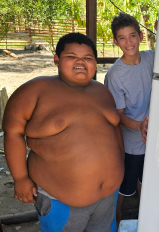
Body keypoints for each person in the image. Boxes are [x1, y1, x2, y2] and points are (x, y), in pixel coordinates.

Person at [2, 33, 124, 232]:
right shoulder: (35, 90)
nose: (80, 61)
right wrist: (21, 178)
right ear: (56, 59)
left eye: (88, 57)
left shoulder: (102, 92)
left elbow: (115, 129)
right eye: (72, 56)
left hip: (107, 197)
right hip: (61, 200)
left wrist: (121, 164)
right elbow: (13, 132)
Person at [104, 12, 154, 226]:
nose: (128, 42)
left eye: (132, 35)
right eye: (122, 38)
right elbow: (117, 115)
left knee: (147, 181)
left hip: (154, 137)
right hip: (132, 143)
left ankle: (146, 223)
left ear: (141, 36)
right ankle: (116, 222)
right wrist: (140, 126)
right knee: (123, 188)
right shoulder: (115, 74)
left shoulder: (152, 58)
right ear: (115, 41)